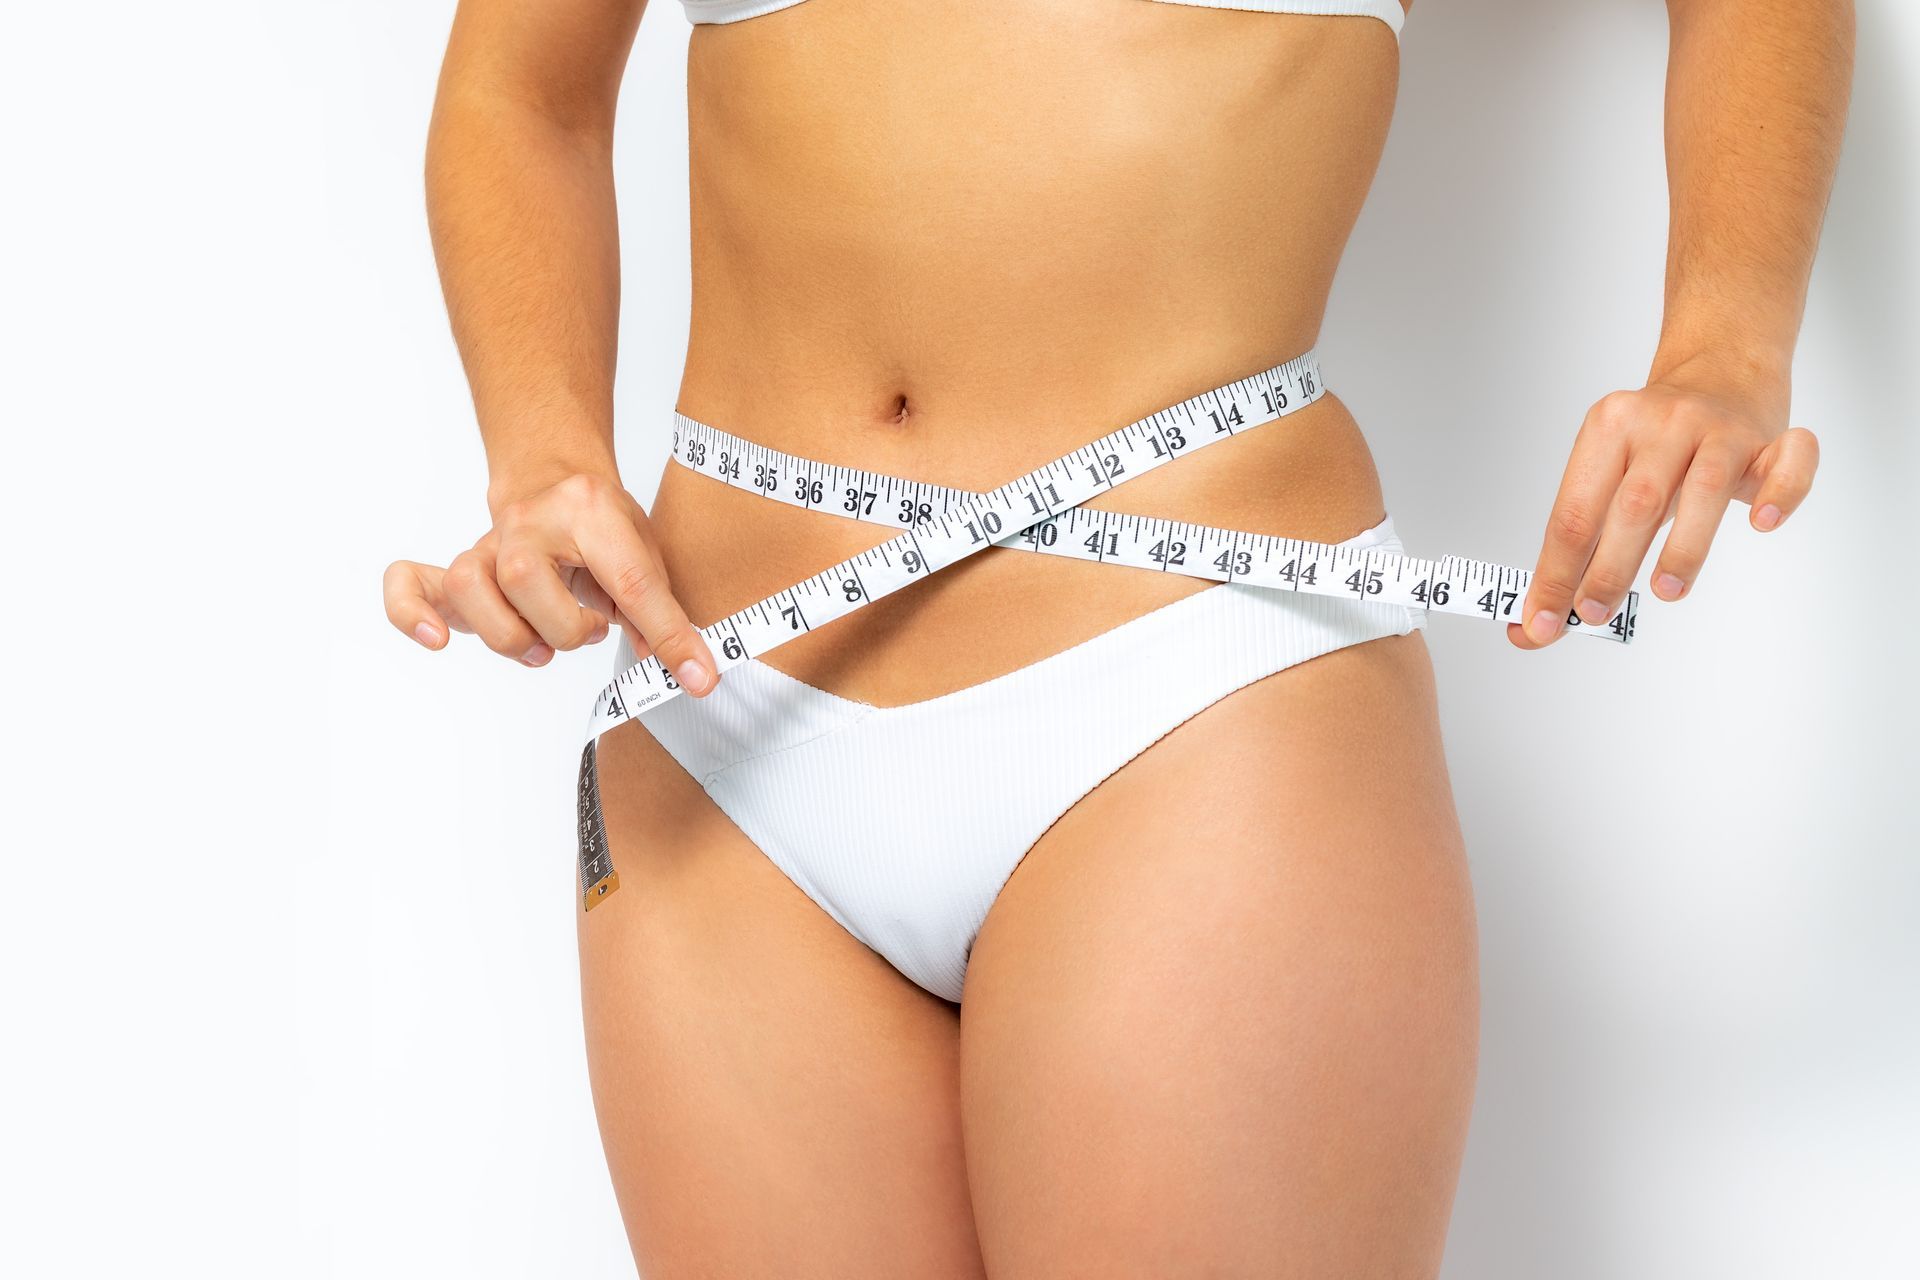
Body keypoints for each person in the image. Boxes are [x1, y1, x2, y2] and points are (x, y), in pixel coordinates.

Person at [382, 0, 1850, 1272]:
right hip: (720, 717)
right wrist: (543, 452)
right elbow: (527, 91)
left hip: (1195, 697)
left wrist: (1724, 341)